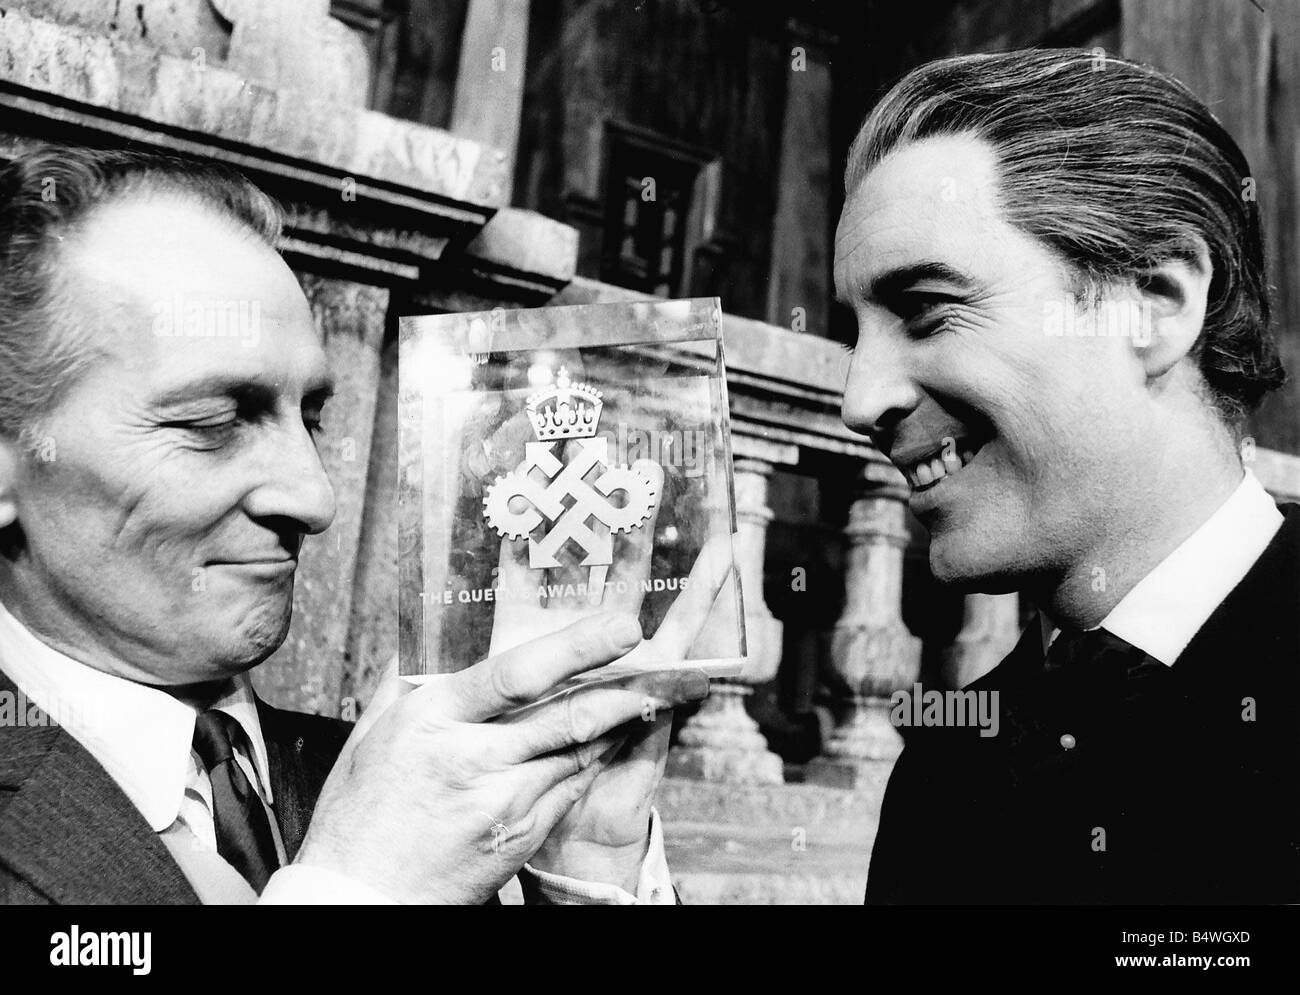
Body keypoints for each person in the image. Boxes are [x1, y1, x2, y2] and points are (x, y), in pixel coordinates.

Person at [0, 146, 716, 904]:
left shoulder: (408, 790)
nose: (316, 498)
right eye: (214, 420)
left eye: (310, 417)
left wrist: (584, 874)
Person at [834, 49, 1298, 903]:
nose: (859, 401)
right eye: (853, 334)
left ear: (1154, 302)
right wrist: (603, 874)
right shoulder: (944, 764)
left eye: (927, 310)